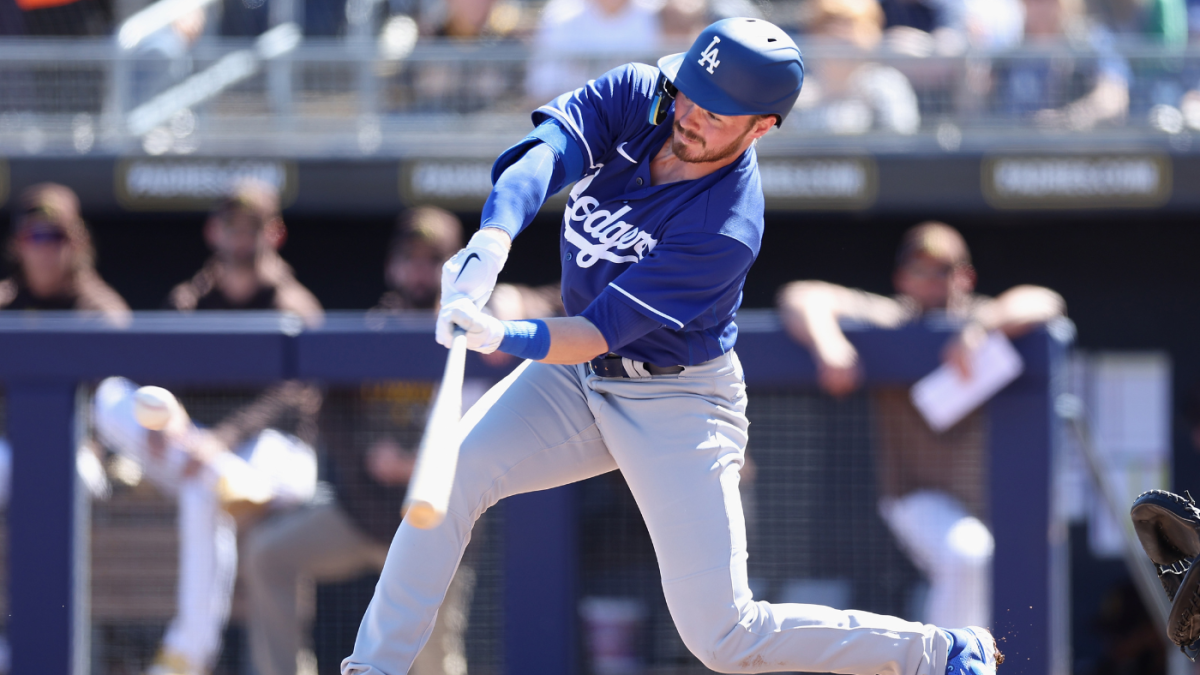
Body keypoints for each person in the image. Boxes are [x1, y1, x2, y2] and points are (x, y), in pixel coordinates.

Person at [343, 19, 1000, 675]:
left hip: (676, 394)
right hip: (575, 379)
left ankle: (935, 651)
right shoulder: (643, 94)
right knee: (455, 471)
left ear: (762, 125)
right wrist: (493, 241)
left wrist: (500, 334)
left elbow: (594, 331)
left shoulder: (728, 224)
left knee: (723, 637)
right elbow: (542, 153)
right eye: (690, 91)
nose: (689, 114)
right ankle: (372, 668)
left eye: (716, 111)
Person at [776, 221, 1065, 629]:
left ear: (965, 276)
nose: (931, 282)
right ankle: (948, 664)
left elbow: (1044, 300)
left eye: (942, 270)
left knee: (1006, 583)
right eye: (920, 271)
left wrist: (982, 329)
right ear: (901, 277)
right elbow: (801, 295)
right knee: (968, 556)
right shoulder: (891, 318)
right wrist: (830, 344)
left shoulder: (978, 316)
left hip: (989, 499)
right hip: (915, 495)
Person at [244, 207, 474, 675]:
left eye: (432, 258)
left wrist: (415, 464)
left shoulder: (475, 334)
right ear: (392, 266)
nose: (418, 269)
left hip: (434, 529)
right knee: (268, 554)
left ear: (454, 265)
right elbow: (326, 411)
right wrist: (369, 455)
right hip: (360, 518)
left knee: (432, 660)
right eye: (409, 258)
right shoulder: (371, 331)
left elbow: (491, 429)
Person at [92, 378, 320, 675]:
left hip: (261, 452)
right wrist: (166, 422)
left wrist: (220, 442)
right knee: (108, 396)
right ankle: (223, 479)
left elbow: (295, 393)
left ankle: (187, 656)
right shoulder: (167, 333)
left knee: (202, 490)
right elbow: (142, 383)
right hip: (187, 450)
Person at [167, 178, 323, 327]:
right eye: (231, 224)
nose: (241, 235)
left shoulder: (297, 313)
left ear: (277, 233)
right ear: (212, 231)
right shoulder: (186, 307)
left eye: (253, 225)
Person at [0, 183, 130, 323]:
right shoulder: (4, 302)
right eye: (35, 236)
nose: (45, 248)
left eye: (56, 236)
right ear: (17, 244)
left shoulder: (101, 314)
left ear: (78, 243)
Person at [791, 0, 921, 135]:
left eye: (850, 24)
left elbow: (900, 141)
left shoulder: (886, 85)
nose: (839, 34)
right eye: (828, 25)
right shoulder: (797, 91)